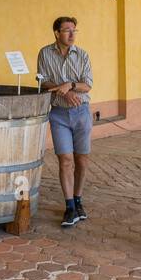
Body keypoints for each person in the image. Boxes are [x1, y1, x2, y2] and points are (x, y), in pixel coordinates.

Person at [36, 16, 93, 228]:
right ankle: (69, 206)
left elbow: (87, 86)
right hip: (59, 114)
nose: (71, 34)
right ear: (56, 33)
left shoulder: (83, 55)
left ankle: (78, 200)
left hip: (81, 112)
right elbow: (42, 82)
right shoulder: (45, 53)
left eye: (74, 30)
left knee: (82, 160)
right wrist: (63, 90)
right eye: (67, 30)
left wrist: (69, 86)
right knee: (65, 160)